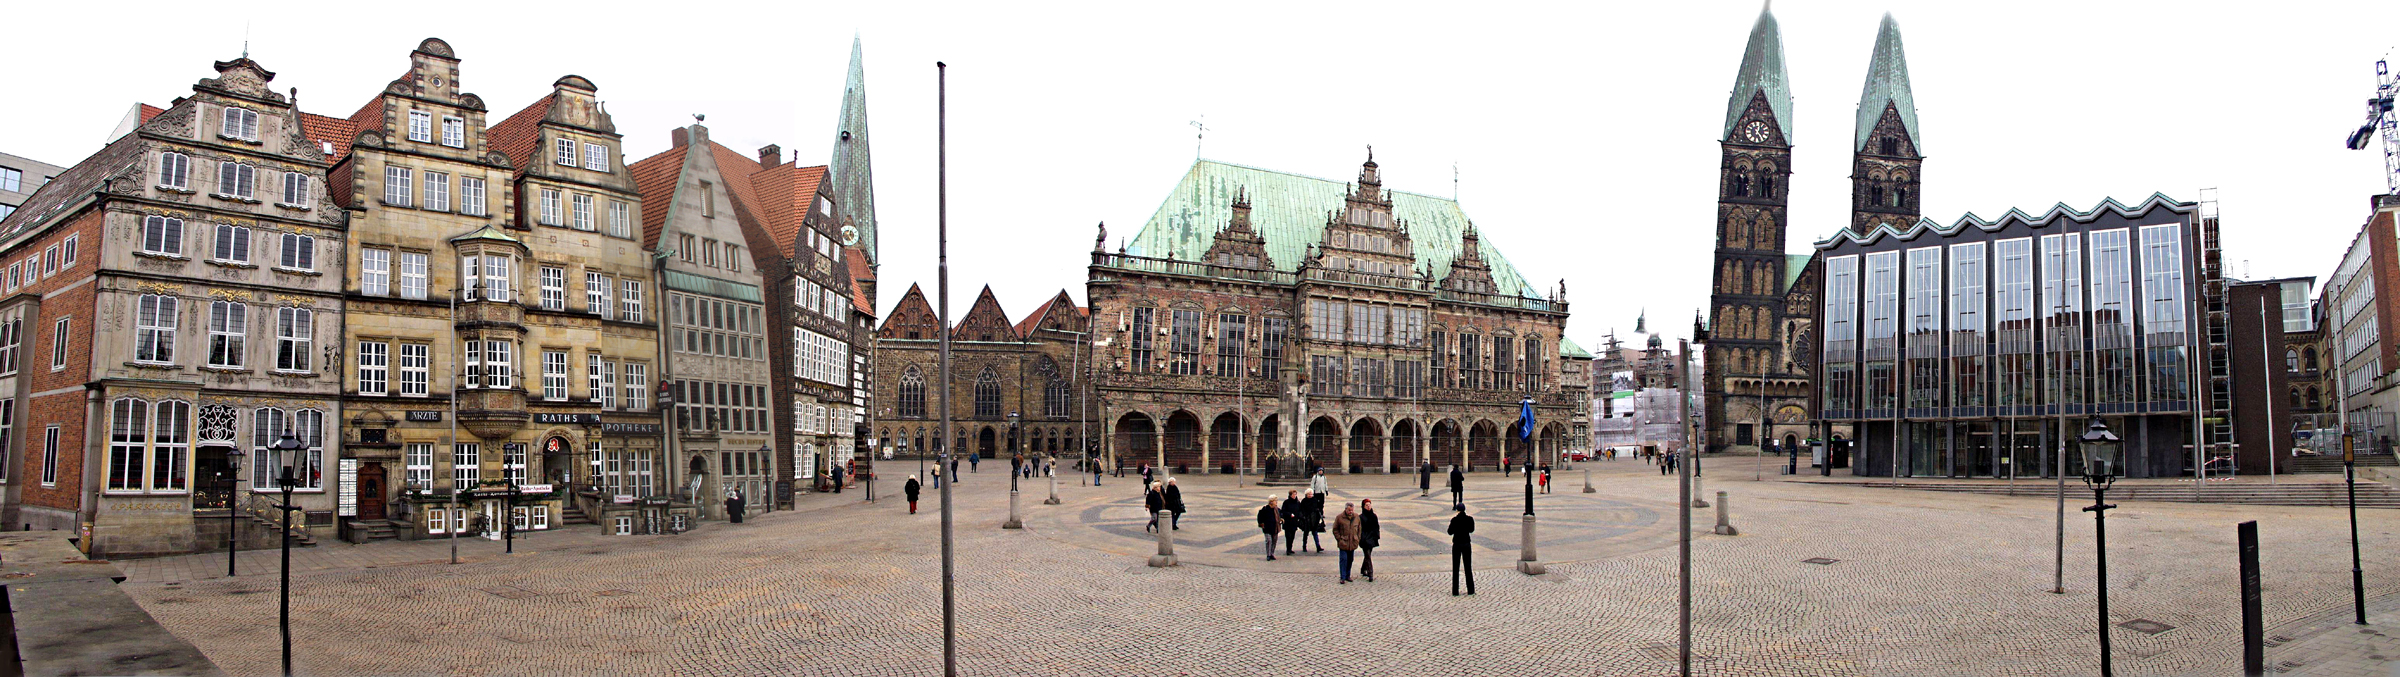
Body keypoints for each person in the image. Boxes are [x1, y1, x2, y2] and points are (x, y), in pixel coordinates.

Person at [1448, 505, 1477, 596]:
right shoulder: (1469, 519)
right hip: (1466, 544)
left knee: (1455, 568)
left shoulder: (1454, 520)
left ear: (1457, 510)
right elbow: (1471, 530)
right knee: (1468, 567)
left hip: (1457, 544)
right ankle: (1471, 590)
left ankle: (1455, 591)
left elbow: (1450, 532)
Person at [1332, 503, 1361, 584]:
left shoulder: (1356, 517)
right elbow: (1335, 529)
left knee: (1350, 560)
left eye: (1352, 510)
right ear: (1345, 509)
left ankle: (1348, 575)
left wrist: (1357, 538)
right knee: (1343, 559)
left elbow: (1359, 529)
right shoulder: (1339, 517)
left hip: (1352, 543)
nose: (1350, 512)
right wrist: (1339, 539)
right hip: (1343, 543)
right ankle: (1343, 577)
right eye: (1349, 510)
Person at [1358, 498, 1381, 582]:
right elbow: (1359, 529)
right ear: (1363, 506)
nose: (1368, 506)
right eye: (1366, 505)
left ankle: (1363, 569)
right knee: (1367, 555)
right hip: (1364, 538)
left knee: (1368, 554)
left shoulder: (1374, 516)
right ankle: (1370, 573)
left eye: (1369, 505)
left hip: (1372, 538)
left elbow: (1377, 527)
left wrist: (1377, 536)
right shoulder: (1361, 517)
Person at [1279, 490, 1304, 555]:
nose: (1294, 495)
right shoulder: (1286, 502)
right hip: (1287, 522)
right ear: (1290, 495)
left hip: (1294, 522)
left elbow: (1300, 510)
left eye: (1295, 494)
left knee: (1292, 536)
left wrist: (1300, 517)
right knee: (1288, 536)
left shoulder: (1297, 502)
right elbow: (1283, 511)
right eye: (1293, 494)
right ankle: (1288, 549)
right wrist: (1289, 514)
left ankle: (1290, 548)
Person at [1257, 497, 1282, 561]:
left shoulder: (1277, 510)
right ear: (1271, 502)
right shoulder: (1265, 509)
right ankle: (1268, 554)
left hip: (1275, 528)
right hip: (1267, 528)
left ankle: (1272, 554)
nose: (1276, 502)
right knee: (1269, 541)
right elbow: (1260, 517)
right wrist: (1261, 524)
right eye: (1275, 501)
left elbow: (1281, 515)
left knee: (1274, 541)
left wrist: (1281, 520)